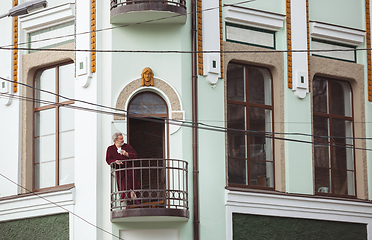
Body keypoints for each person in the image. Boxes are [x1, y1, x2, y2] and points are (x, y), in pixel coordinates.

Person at [106, 132, 139, 206]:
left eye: (122, 138)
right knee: (125, 188)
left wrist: (126, 154)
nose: (123, 140)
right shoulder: (110, 149)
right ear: (115, 140)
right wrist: (115, 161)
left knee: (132, 187)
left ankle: (135, 204)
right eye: (121, 139)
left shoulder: (127, 147)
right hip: (121, 173)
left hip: (130, 171)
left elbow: (135, 156)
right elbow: (108, 160)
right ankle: (134, 204)